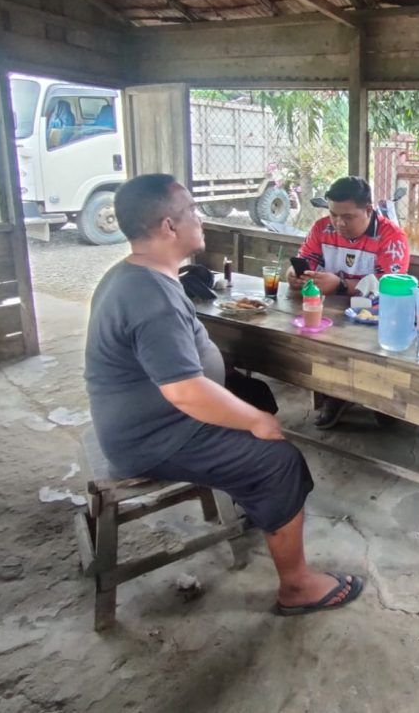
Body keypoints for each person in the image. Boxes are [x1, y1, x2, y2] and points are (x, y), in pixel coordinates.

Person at [84, 173, 363, 615]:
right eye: (191, 211)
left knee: (256, 394)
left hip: (150, 419)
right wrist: (255, 422)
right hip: (155, 437)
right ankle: (296, 587)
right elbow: (185, 391)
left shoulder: (133, 275)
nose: (199, 217)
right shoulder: (150, 297)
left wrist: (239, 394)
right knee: (280, 461)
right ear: (168, 227)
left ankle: (257, 504)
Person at [287, 175, 411, 428]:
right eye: (333, 214)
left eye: (348, 217)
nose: (338, 223)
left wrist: (341, 286)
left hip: (377, 318)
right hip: (331, 314)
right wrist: (295, 275)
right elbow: (305, 261)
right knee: (309, 334)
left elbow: (389, 287)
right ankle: (335, 395)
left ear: (368, 210)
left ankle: (380, 398)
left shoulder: (392, 237)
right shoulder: (322, 228)